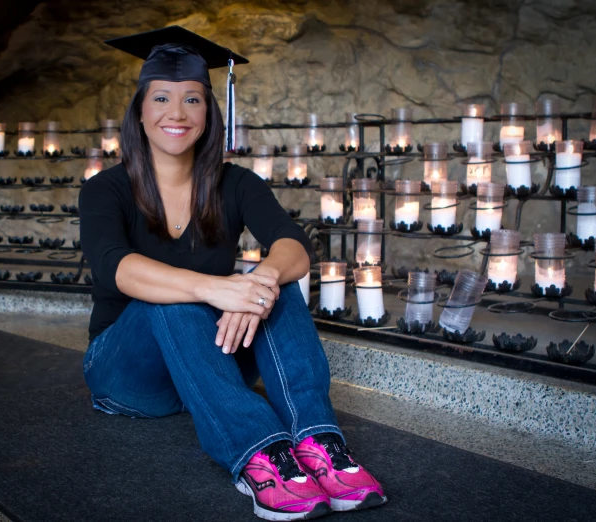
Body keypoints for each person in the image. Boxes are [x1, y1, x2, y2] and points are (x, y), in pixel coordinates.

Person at [79, 26, 387, 521]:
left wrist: (260, 282)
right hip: (128, 373)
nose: (176, 114)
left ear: (209, 113)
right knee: (171, 299)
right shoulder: (105, 191)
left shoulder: (236, 183)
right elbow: (118, 268)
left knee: (278, 286)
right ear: (140, 111)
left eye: (192, 100)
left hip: (211, 362)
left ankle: (319, 442)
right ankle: (260, 457)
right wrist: (218, 289)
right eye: (161, 98)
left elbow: (294, 247)